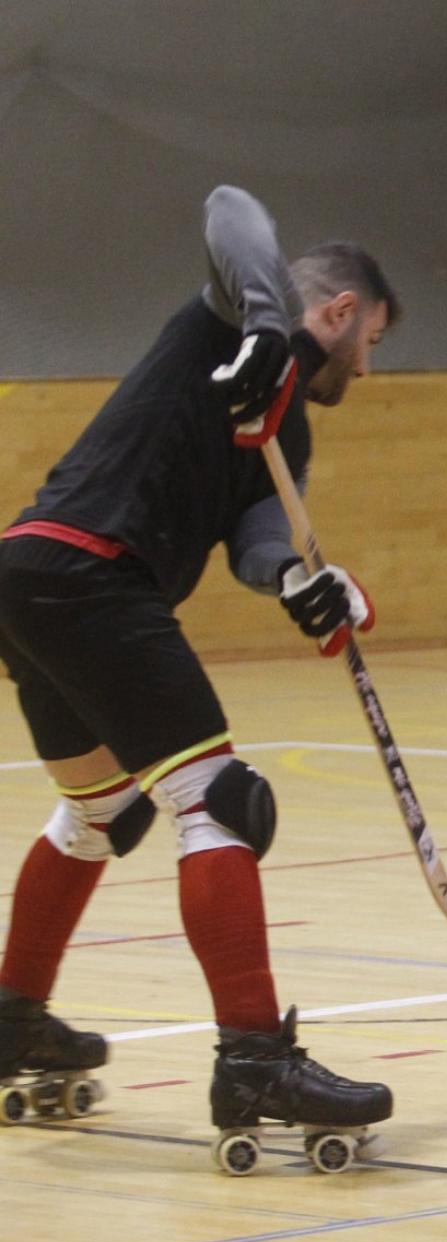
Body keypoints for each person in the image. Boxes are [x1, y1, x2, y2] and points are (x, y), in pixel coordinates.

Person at [0, 185, 397, 1171]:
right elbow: (230, 206)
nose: (369, 368)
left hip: (33, 580)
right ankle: (254, 1057)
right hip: (91, 569)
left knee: (103, 812)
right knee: (219, 801)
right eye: (372, 342)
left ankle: (11, 1022)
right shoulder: (231, 318)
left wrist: (307, 583)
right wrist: (266, 326)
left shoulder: (287, 433)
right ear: (338, 314)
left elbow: (261, 543)